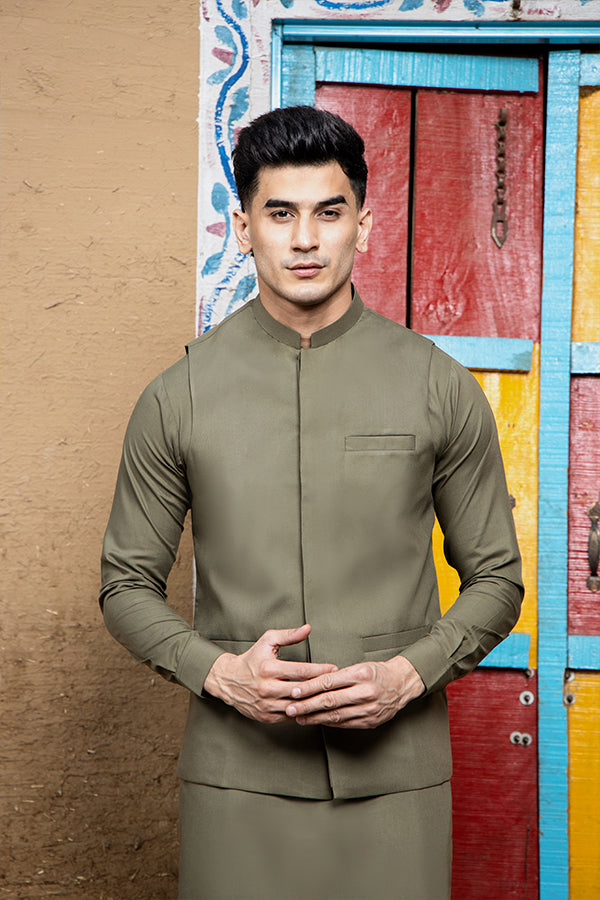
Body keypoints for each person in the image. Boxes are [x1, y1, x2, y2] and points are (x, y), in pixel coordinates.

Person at [100, 105, 523, 900]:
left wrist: (410, 675)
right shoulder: (177, 396)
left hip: (397, 786)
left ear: (364, 224)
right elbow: (125, 585)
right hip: (236, 784)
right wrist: (220, 674)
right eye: (280, 214)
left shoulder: (436, 384)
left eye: (329, 213)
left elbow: (497, 578)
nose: (305, 239)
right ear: (243, 227)